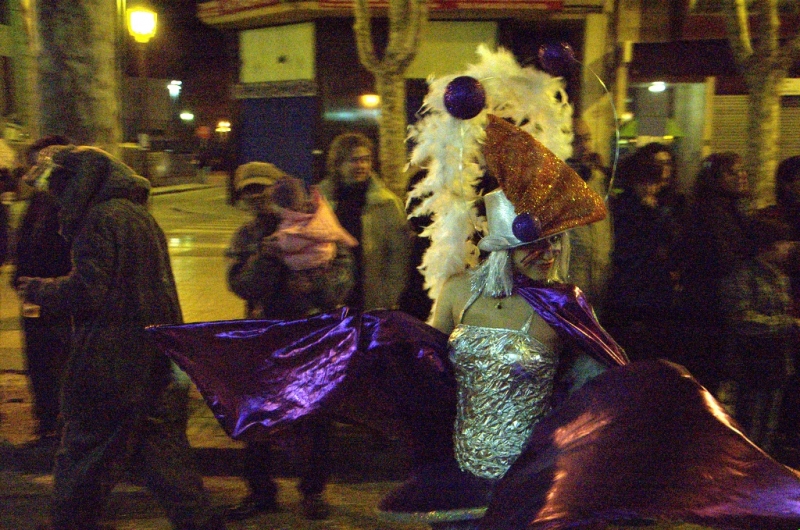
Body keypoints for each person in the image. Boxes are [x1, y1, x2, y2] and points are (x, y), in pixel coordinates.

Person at [146, 47, 800, 530]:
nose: (535, 253)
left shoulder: (564, 307)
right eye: (520, 242)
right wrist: (350, 355)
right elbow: (424, 362)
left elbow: (602, 393)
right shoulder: (457, 292)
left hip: (528, 481)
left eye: (541, 244)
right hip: (457, 473)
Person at [16, 145, 223, 530]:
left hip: (110, 362)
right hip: (153, 358)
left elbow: (89, 290)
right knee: (166, 460)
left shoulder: (98, 220)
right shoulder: (137, 216)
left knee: (83, 458)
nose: (56, 200)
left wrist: (41, 291)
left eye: (58, 188)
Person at [224, 162, 355, 520]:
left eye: (261, 188)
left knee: (316, 416)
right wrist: (266, 260)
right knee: (257, 418)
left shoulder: (319, 227)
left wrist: (313, 284)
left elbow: (341, 285)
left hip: (313, 336)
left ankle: (313, 492)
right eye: (247, 191)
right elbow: (240, 285)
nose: (256, 197)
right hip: (264, 338)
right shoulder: (248, 237)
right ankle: (261, 492)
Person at [676, 152, 758, 392]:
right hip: (709, 305)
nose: (740, 177)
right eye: (732, 172)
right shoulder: (708, 212)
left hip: (720, 303)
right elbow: (720, 257)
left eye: (742, 171)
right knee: (707, 372)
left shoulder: (733, 209)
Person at [12, 135, 73, 443]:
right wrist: (20, 276)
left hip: (59, 296)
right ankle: (46, 420)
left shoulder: (69, 201)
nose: (35, 169)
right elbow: (25, 242)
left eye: (43, 161)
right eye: (34, 161)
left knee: (60, 359)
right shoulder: (38, 200)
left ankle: (63, 423)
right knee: (37, 360)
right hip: (32, 296)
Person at [718, 219, 798, 454]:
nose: (789, 247)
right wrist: (788, 324)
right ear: (768, 246)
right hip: (752, 363)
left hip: (778, 363)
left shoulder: (780, 278)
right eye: (783, 242)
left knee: (768, 428)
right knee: (749, 427)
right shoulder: (743, 276)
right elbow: (741, 320)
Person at [603, 146, 681, 362]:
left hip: (659, 295)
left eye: (667, 163)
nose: (664, 170)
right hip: (632, 294)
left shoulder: (669, 204)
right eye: (657, 164)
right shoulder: (626, 207)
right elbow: (631, 248)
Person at [317, 132, 411, 310]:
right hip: (329, 302)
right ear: (338, 164)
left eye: (365, 159)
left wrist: (387, 296)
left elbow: (399, 257)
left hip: (371, 300)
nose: (361, 165)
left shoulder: (386, 204)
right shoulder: (321, 202)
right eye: (353, 160)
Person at [566, 117, 613, 313]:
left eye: (587, 138)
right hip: (571, 286)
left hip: (599, 284)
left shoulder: (598, 180)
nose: (584, 146)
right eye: (577, 140)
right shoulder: (556, 182)